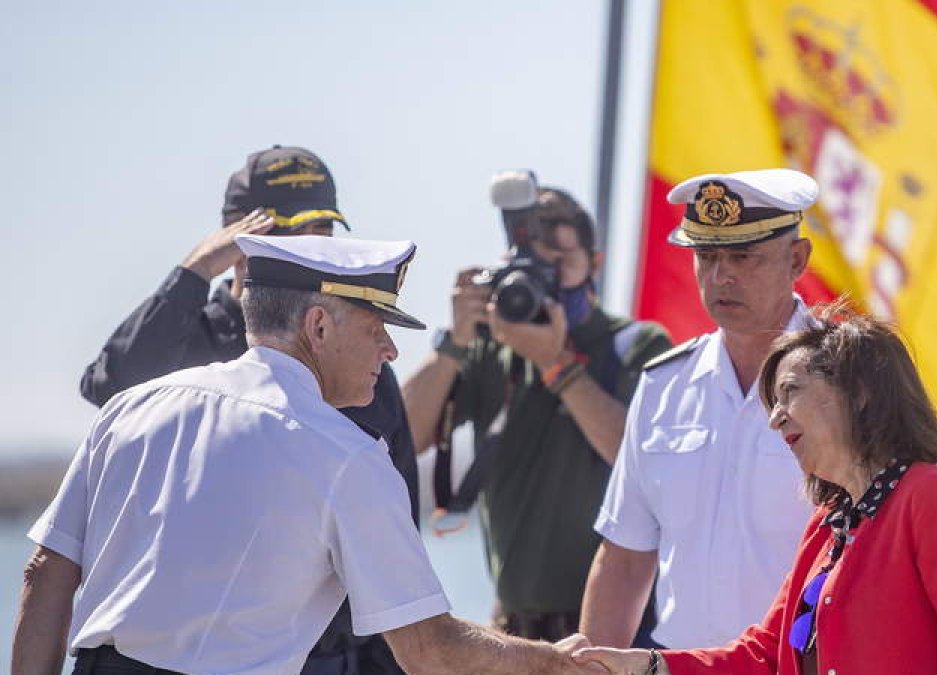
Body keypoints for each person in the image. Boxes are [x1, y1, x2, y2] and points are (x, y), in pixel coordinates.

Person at [14, 234, 602, 675]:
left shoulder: (132, 409)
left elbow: (45, 574)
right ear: (318, 326)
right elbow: (428, 648)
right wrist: (554, 662)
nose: (391, 349)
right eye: (377, 326)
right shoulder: (344, 456)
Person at [76, 146, 419, 673]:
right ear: (238, 239)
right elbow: (112, 386)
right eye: (289, 233)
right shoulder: (191, 339)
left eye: (323, 232)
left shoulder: (359, 365)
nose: (311, 248)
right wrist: (194, 271)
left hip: (331, 659)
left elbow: (396, 539)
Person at [572, 302, 937, 674]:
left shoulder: (929, 498)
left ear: (860, 392)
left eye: (790, 392)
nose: (775, 417)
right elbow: (764, 654)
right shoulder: (827, 523)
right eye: (773, 403)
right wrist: (648, 665)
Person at [401, 180, 672, 642]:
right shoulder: (495, 348)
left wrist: (555, 364)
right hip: (512, 633)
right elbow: (403, 436)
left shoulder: (637, 345)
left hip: (616, 636)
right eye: (532, 262)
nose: (544, 275)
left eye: (559, 261)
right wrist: (454, 344)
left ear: (595, 263)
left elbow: (642, 460)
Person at [580, 169, 819, 650]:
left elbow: (887, 553)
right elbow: (625, 558)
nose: (720, 276)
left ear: (797, 259)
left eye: (743, 256)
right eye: (706, 256)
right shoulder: (662, 386)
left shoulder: (852, 384)